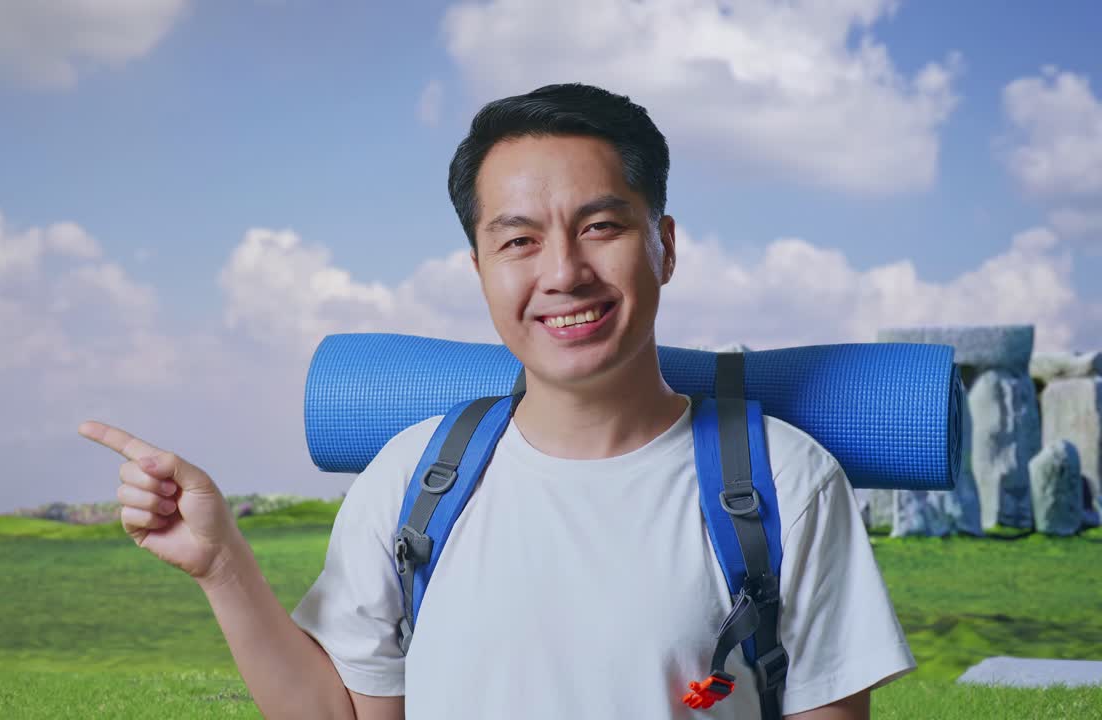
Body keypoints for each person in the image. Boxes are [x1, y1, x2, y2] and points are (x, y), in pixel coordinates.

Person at [79, 83, 916, 719]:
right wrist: (223, 565)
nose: (562, 273)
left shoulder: (784, 484)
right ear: (479, 268)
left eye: (601, 226)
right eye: (518, 240)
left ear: (663, 245)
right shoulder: (414, 479)